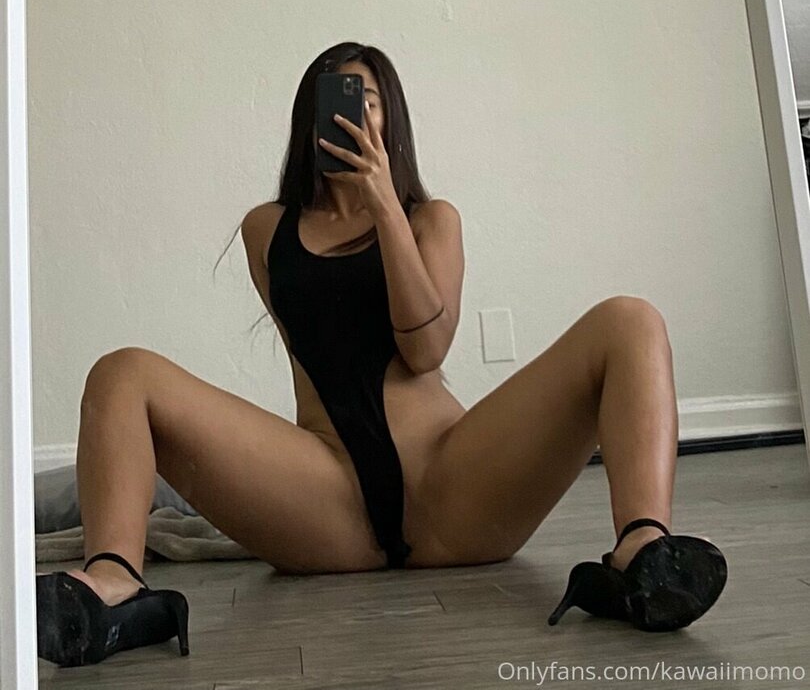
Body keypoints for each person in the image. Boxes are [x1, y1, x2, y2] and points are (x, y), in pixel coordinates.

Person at [35, 41, 727, 667]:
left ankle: (641, 550)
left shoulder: (432, 220)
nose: (352, 113)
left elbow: (425, 350)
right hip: (328, 501)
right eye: (334, 99)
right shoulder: (265, 230)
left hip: (457, 486)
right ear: (308, 119)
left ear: (390, 115)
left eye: (366, 99)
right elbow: (318, 351)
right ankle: (115, 584)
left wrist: (385, 206)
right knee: (122, 372)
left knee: (630, 321)